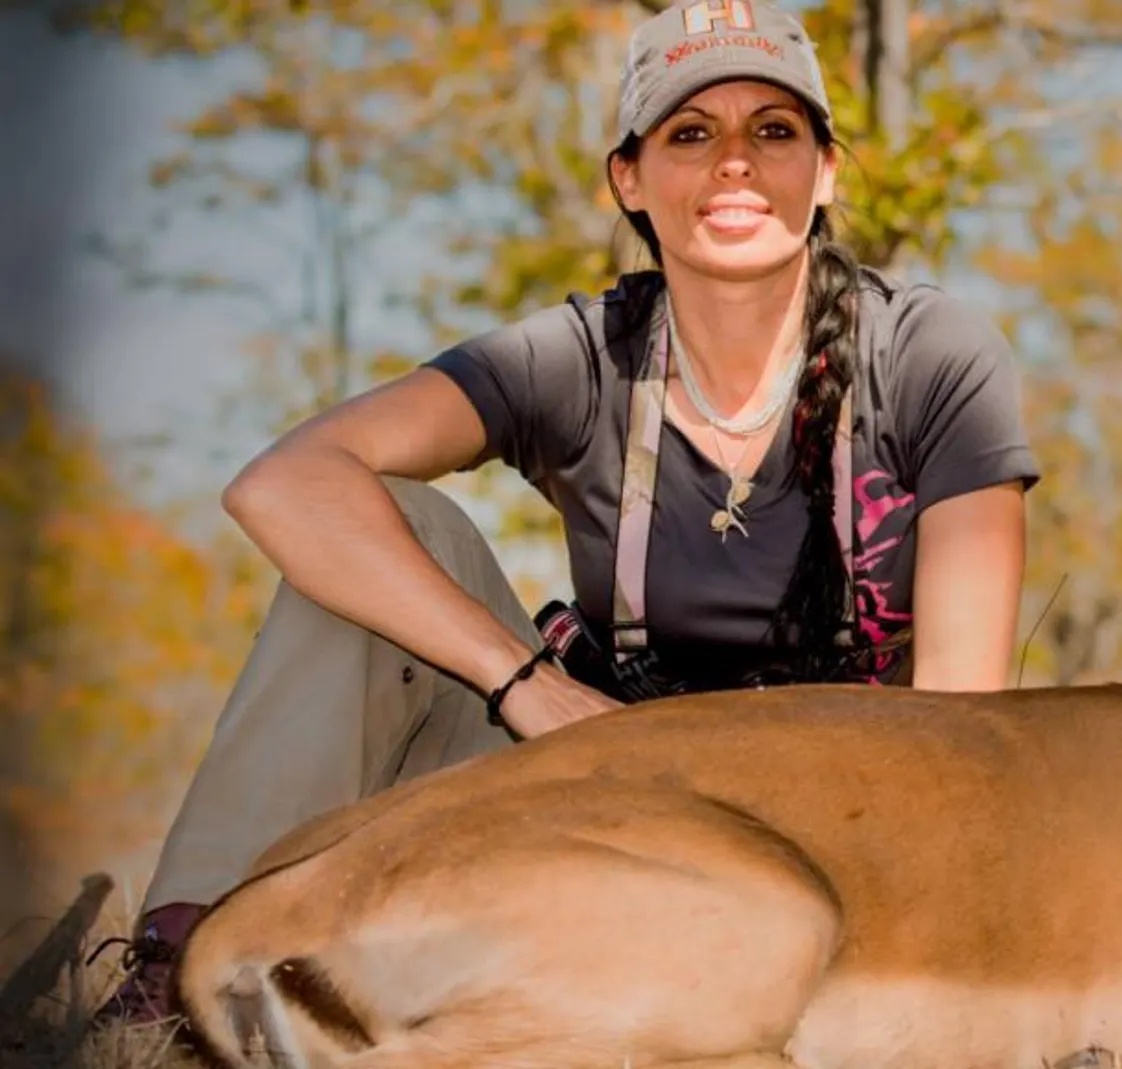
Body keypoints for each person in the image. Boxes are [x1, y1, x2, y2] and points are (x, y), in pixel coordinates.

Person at [94, 0, 1040, 1024]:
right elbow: (283, 483)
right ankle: (181, 977)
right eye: (691, 132)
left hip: (838, 840)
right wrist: (530, 688)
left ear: (826, 169)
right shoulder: (579, 355)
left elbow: (958, 734)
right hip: (580, 800)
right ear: (629, 178)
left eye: (774, 130)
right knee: (392, 528)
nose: (735, 162)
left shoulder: (931, 355)